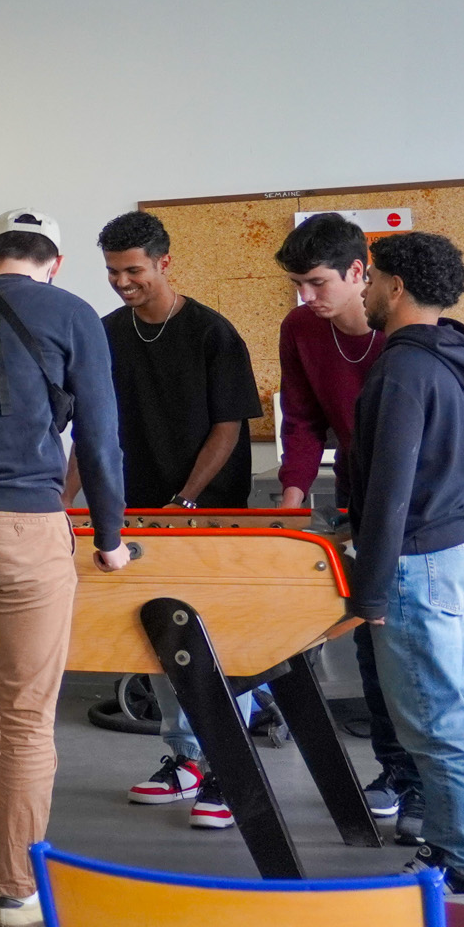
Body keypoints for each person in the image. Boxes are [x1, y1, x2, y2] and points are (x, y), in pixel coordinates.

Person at [0, 209, 129, 927]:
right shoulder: (74, 314)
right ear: (56, 263)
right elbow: (99, 437)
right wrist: (110, 537)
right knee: (28, 716)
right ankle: (17, 888)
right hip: (24, 521)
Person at [89, 211, 264, 831]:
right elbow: (94, 428)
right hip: (137, 515)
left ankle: (228, 768)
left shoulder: (213, 333)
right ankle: (186, 758)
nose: (122, 282)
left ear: (164, 263)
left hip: (207, 513)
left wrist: (186, 499)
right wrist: (63, 499)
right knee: (158, 637)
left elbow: (228, 427)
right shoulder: (107, 333)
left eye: (133, 270)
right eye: (113, 272)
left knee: (215, 642)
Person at [347, 232, 464, 903]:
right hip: (458, 545)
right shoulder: (451, 355)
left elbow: (389, 490)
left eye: (372, 277)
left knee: (433, 720)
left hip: (420, 561)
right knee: (456, 708)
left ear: (396, 286)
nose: (365, 289)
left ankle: (457, 862)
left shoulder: (403, 368)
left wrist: (370, 591)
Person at [274, 213, 420, 833]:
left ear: (359, 272)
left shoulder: (402, 329)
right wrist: (292, 496)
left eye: (317, 283)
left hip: (414, 503)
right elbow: (303, 419)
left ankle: (427, 783)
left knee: (413, 647)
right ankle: (395, 770)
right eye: (298, 285)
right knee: (368, 638)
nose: (307, 297)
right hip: (355, 497)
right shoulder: (301, 328)